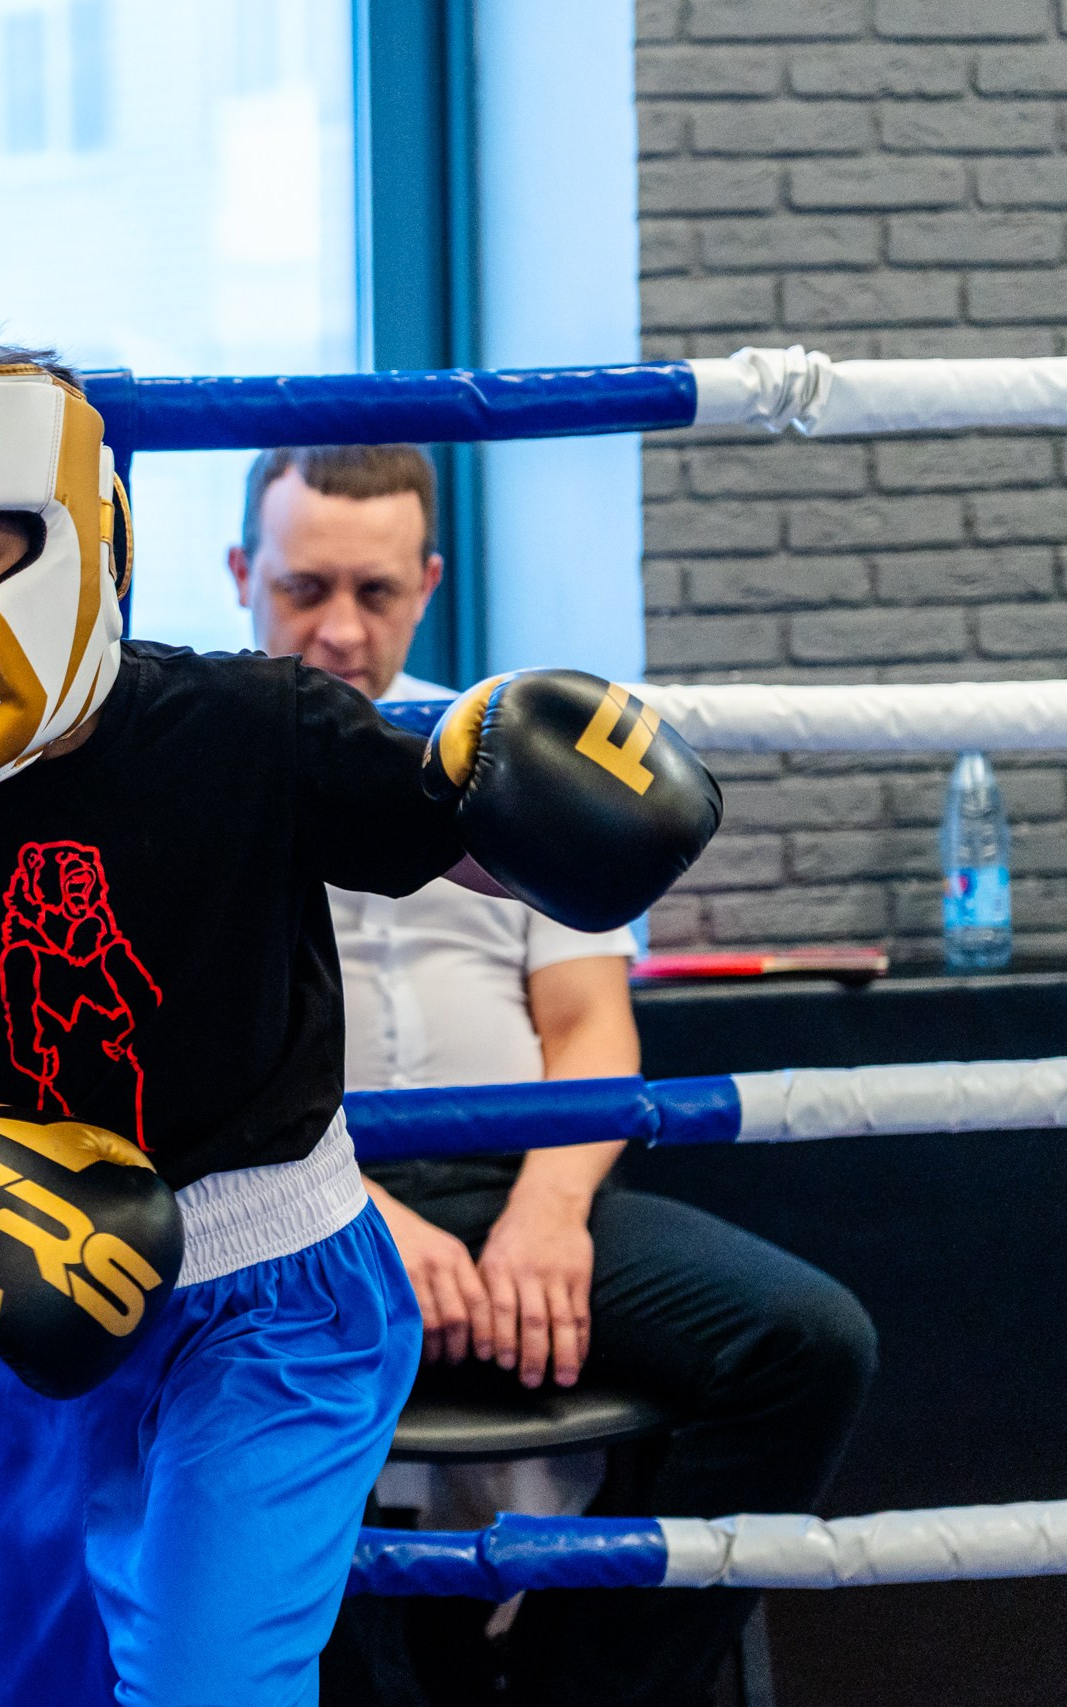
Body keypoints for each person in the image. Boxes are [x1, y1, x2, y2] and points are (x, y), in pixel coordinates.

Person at [0, 342, 724, 1707]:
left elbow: (469, 841)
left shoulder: (240, 722)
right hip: (42, 1312)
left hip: (281, 1308)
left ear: (75, 542)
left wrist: (558, 801)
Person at [229, 445, 878, 1707]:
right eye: (305, 588)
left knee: (807, 1345)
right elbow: (192, 1070)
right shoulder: (198, 772)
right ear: (242, 574)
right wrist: (352, 1212)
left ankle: (587, 1691)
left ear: (426, 582)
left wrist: (547, 1211)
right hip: (296, 1201)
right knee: (231, 1386)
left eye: (374, 591)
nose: (340, 630)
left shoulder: (506, 761)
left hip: (523, 1172)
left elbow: (587, 1025)